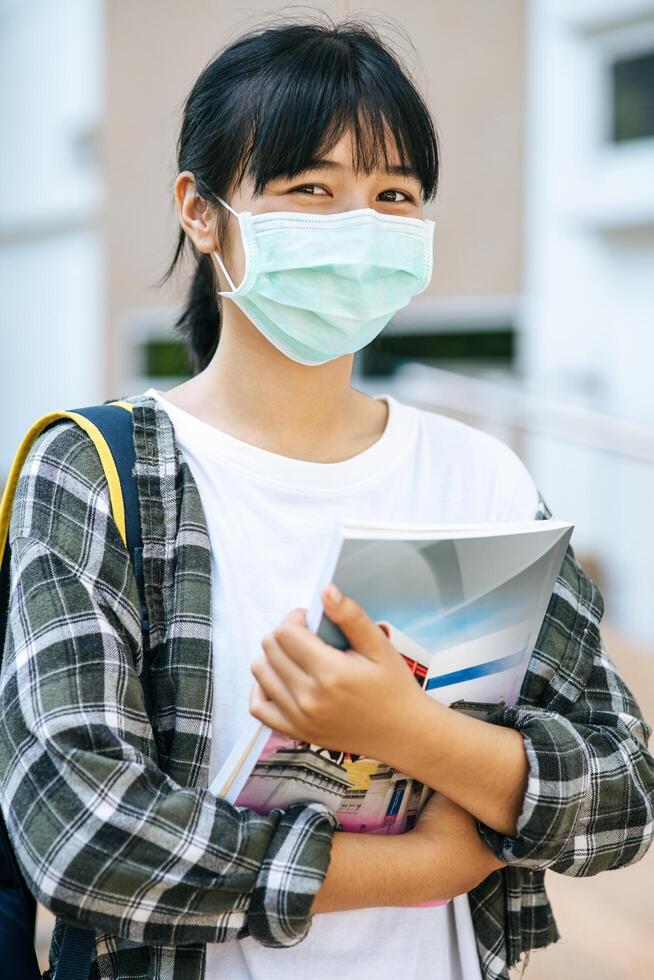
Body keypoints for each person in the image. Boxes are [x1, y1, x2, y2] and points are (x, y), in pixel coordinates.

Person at [1, 18, 653, 980]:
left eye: (394, 194)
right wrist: (419, 864)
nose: (360, 226)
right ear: (201, 208)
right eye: (312, 189)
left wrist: (404, 732)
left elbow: (625, 790)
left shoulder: (482, 479)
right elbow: (78, 827)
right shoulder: (98, 473)